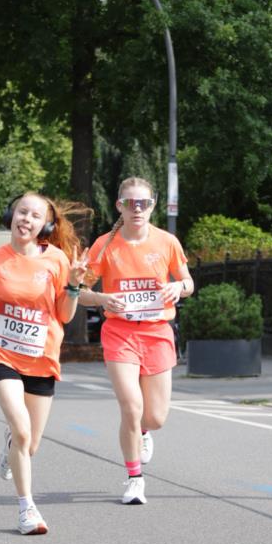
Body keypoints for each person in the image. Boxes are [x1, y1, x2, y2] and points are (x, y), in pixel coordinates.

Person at [0, 192, 89, 535]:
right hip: (5, 355)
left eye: (34, 215)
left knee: (29, 444)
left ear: (44, 224)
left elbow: (64, 314)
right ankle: (27, 509)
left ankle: (10, 448)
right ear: (10, 215)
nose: (25, 219)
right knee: (23, 429)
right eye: (21, 212)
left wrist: (73, 285)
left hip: (43, 358)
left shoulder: (57, 260)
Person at [80, 177, 194, 505]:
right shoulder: (104, 244)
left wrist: (178, 288)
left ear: (152, 206)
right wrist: (102, 298)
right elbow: (80, 292)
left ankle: (143, 433)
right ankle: (134, 479)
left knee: (154, 417)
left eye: (143, 203)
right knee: (131, 407)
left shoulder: (167, 241)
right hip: (119, 333)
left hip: (157, 332)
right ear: (119, 206)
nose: (137, 209)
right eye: (130, 203)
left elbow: (188, 281)